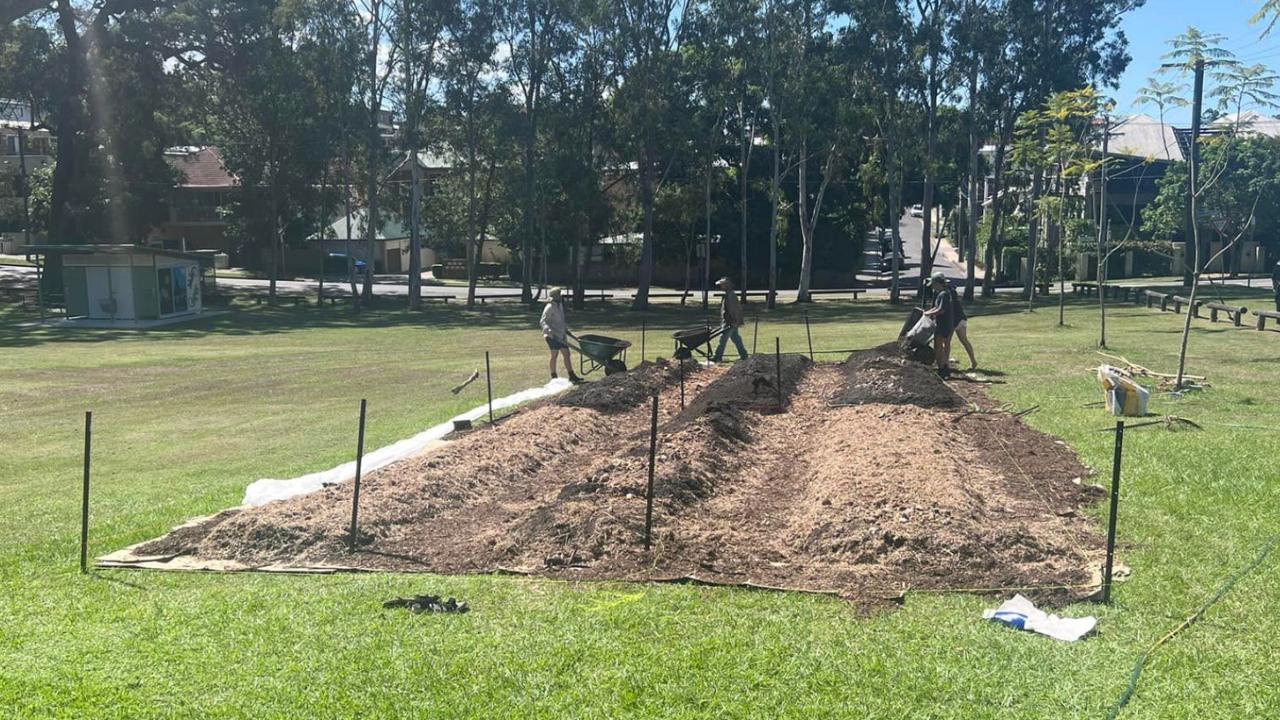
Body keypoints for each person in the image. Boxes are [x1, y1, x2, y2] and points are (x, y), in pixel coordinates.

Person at [540, 288, 582, 384]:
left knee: (567, 354)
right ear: (555, 296)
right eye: (559, 295)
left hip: (561, 334)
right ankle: (554, 377)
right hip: (552, 336)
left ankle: (572, 375)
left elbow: (561, 320)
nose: (561, 296)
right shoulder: (550, 307)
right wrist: (548, 329)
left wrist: (566, 331)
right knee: (554, 355)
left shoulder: (560, 305)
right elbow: (543, 321)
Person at [922, 272, 954, 377]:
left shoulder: (943, 294)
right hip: (947, 323)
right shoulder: (942, 293)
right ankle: (945, 366)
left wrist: (928, 313)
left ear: (938, 283)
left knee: (938, 347)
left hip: (943, 324)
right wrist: (928, 312)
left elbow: (941, 310)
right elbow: (936, 308)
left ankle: (942, 368)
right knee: (944, 346)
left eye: (934, 284)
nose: (933, 287)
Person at [713, 277, 749, 362]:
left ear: (727, 285)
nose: (721, 287)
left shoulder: (731, 296)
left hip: (730, 322)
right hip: (730, 321)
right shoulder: (728, 294)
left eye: (722, 285)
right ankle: (744, 355)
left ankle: (717, 357)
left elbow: (734, 310)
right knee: (736, 339)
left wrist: (734, 321)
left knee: (723, 339)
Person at [946, 281, 977, 370]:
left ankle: (946, 363)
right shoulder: (953, 296)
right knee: (964, 340)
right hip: (961, 319)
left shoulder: (947, 297)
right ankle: (973, 361)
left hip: (954, 321)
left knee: (947, 341)